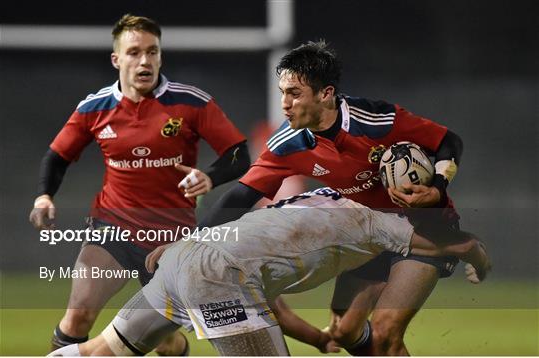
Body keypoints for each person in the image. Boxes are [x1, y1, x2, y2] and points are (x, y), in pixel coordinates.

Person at [198, 40, 469, 355]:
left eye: (294, 93)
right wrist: (191, 242)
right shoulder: (288, 143)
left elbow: (449, 141)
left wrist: (436, 187)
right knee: (343, 332)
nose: (284, 103)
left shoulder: (374, 121)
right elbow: (242, 194)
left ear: (325, 93)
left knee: (384, 333)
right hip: (371, 235)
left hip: (426, 230)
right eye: (282, 92)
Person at [29, 14, 250, 355]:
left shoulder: (190, 102)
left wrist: (211, 175)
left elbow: (239, 154)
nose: (145, 60)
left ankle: (174, 343)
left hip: (171, 237)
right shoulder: (95, 107)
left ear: (160, 56)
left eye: (152, 51)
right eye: (134, 52)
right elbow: (57, 156)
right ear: (117, 59)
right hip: (114, 227)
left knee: (163, 341)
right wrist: (45, 195)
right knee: (78, 316)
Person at [48, 187, 490, 356]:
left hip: (188, 257)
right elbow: (451, 243)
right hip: (216, 275)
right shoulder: (379, 222)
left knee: (101, 351)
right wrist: (476, 257)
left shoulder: (322, 196)